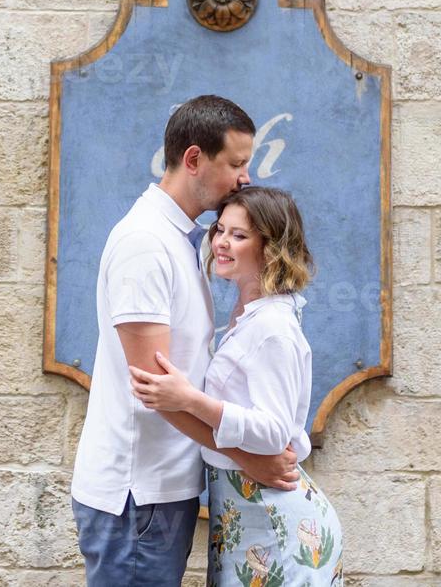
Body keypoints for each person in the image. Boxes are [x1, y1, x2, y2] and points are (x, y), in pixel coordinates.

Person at [71, 96, 302, 587]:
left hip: (162, 489)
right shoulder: (145, 244)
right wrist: (250, 458)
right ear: (194, 159)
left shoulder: (179, 240)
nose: (245, 177)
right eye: (236, 163)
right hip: (137, 496)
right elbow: (154, 390)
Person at [131, 186, 344, 586]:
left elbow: (273, 432)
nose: (222, 243)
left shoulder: (271, 328)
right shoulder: (248, 314)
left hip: (278, 527)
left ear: (271, 247)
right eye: (220, 230)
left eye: (239, 235)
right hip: (246, 516)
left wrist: (189, 400)